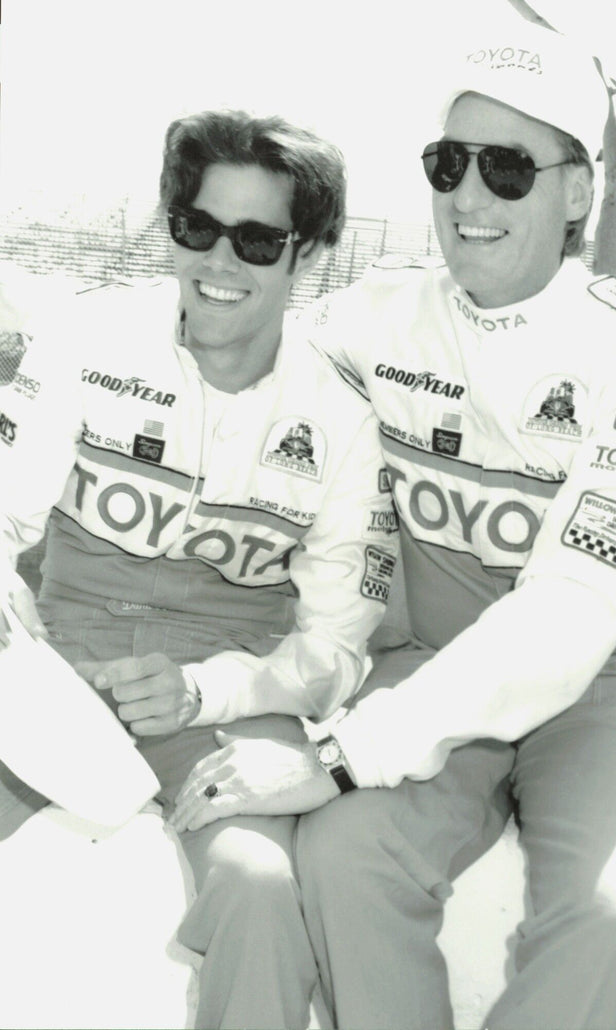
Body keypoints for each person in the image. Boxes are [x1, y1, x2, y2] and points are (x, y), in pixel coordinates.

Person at [172, 24, 616, 1030]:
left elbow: (565, 620)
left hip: (593, 688)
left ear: (577, 193)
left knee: (611, 917)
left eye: (507, 168)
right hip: (420, 658)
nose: (467, 197)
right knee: (340, 854)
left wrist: (336, 757)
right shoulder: (374, 316)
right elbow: (224, 353)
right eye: (447, 163)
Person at [0, 109, 398, 1030]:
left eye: (258, 241)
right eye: (198, 229)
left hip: (220, 702)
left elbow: (336, 647)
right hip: (57, 669)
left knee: (262, 891)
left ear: (309, 257)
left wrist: (200, 691)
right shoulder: (90, 336)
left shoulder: (345, 418)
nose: (220, 265)